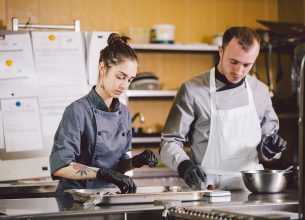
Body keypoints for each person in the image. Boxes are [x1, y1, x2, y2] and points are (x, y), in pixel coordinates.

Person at [160, 26, 287, 190]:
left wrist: (271, 149)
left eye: (247, 65)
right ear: (221, 51)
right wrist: (184, 165)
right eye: (233, 62)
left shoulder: (260, 92)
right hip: (209, 190)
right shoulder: (192, 90)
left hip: (252, 190)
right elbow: (169, 142)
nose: (239, 71)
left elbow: (267, 148)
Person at [50, 33, 158, 196]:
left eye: (129, 80)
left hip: (107, 197)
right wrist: (102, 173)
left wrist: (135, 161)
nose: (124, 85)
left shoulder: (124, 113)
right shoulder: (77, 111)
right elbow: (61, 166)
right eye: (120, 77)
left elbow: (118, 167)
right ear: (103, 69)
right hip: (75, 200)